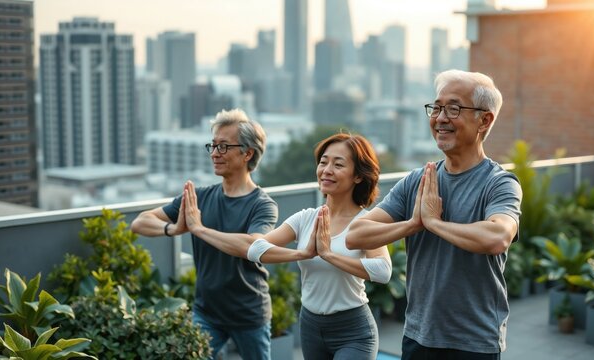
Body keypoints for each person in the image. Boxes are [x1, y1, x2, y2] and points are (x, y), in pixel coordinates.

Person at [346, 69, 523, 360]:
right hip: (418, 336)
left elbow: (497, 237)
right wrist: (414, 223)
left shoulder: (499, 183)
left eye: (453, 108)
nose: (440, 118)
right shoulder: (418, 180)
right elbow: (355, 235)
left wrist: (435, 223)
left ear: (485, 119)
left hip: (474, 342)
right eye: (437, 107)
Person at [182, 133, 392, 360]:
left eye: (338, 164)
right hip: (311, 326)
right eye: (323, 162)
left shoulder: (365, 222)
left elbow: (383, 271)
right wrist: (302, 253)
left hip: (353, 330)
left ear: (358, 176)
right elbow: (255, 250)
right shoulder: (305, 219)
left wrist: (328, 255)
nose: (327, 169)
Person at [130, 109, 278, 360]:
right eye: (212, 146)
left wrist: (199, 229)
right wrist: (173, 228)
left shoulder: (262, 205)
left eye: (223, 147)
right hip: (207, 313)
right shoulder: (199, 196)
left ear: (247, 153)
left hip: (248, 314)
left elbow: (252, 245)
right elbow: (140, 222)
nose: (214, 154)